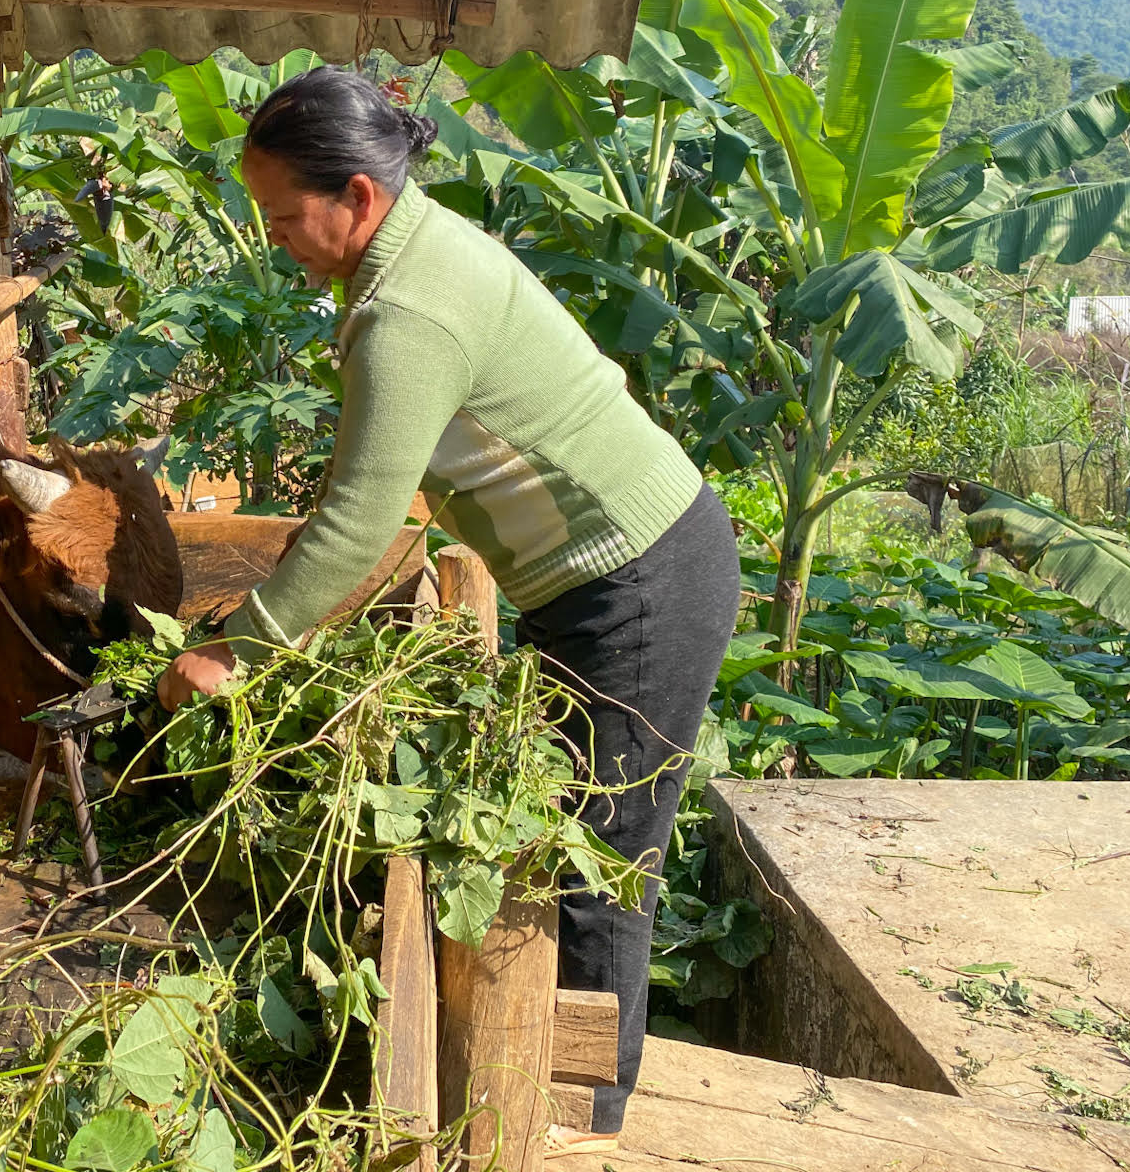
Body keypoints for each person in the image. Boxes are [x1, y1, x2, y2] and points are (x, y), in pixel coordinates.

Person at [156, 67, 740, 1152]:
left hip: (640, 579)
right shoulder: (413, 254)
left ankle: (581, 1122)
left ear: (358, 197)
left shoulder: (410, 308)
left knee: (600, 856)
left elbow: (360, 519)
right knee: (571, 833)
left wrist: (238, 650)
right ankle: (560, 1098)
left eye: (283, 216)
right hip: (609, 573)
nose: (276, 239)